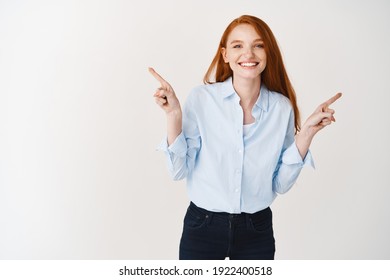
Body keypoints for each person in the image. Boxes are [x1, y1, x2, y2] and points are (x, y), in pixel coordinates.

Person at [149, 15, 341, 260]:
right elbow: (178, 171)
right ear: (225, 55)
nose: (248, 54)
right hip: (202, 227)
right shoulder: (201, 100)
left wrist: (307, 134)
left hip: (256, 230)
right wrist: (174, 114)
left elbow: (280, 185)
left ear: (267, 52)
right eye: (237, 46)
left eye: (258, 45)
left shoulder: (281, 108)